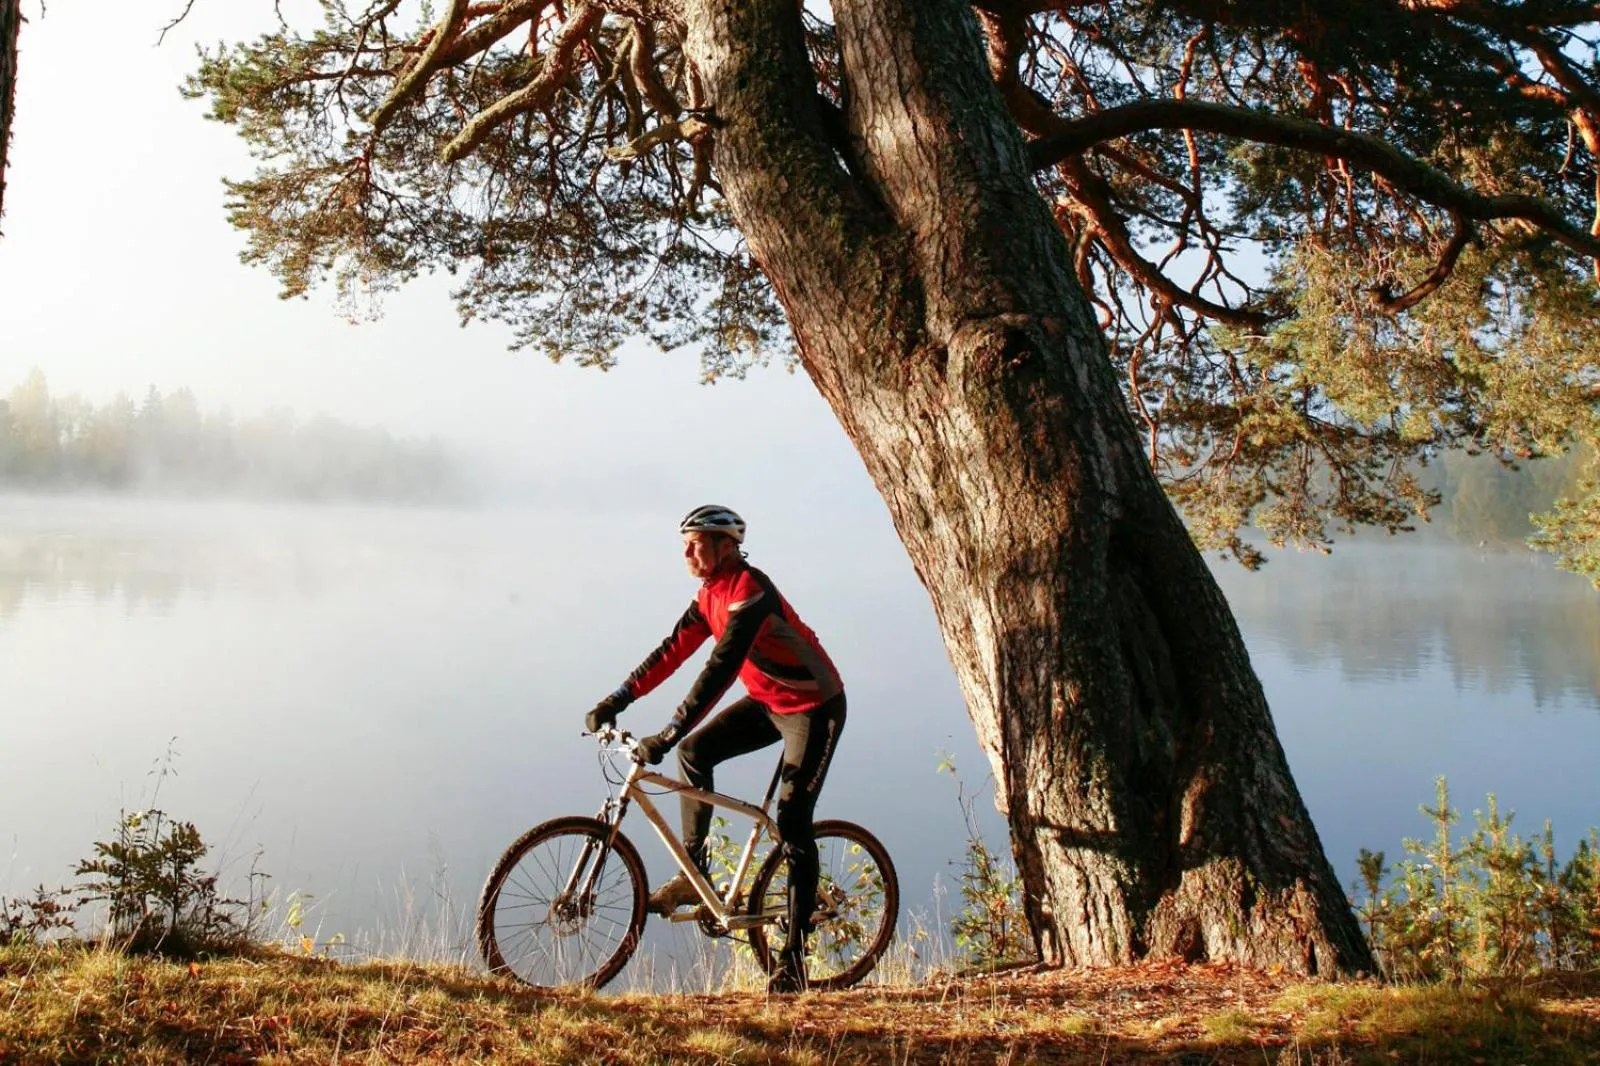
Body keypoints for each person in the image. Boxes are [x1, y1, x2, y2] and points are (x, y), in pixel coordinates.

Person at [583, 505, 846, 994]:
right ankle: (695, 875)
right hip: (770, 701)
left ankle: (792, 963)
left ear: (727, 546)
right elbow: (672, 651)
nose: (686, 550)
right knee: (694, 755)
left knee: (792, 821)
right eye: (683, 541)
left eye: (696, 541)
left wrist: (667, 732)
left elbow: (718, 673)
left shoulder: (750, 592)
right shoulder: (709, 596)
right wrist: (616, 698)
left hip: (814, 706)